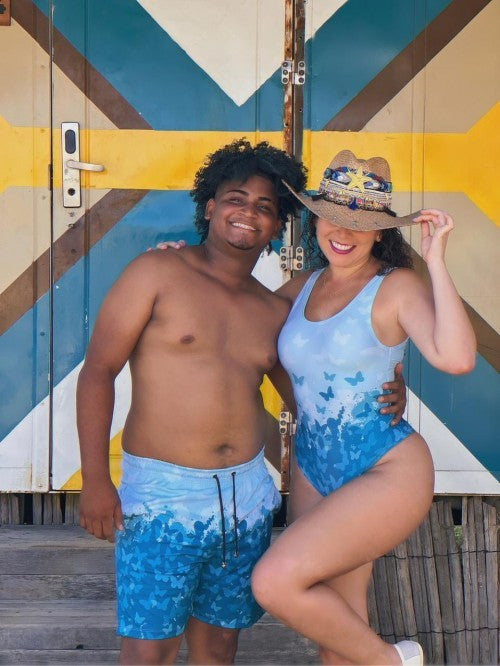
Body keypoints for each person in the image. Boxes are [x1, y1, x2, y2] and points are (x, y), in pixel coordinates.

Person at [76, 139, 406, 666]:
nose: (248, 213)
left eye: (265, 207)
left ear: (278, 226)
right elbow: (98, 372)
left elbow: (313, 388)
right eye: (236, 198)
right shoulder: (156, 273)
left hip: (246, 498)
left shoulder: (273, 310)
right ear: (209, 206)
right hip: (163, 496)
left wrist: (389, 384)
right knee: (149, 648)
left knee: (220, 644)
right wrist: (95, 479)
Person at [247, 150, 476, 665]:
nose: (344, 231)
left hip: (385, 467)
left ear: (380, 232)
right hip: (314, 467)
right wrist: (184, 263)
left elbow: (457, 358)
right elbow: (241, 322)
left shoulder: (395, 286)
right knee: (338, 640)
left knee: (274, 581)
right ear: (315, 218)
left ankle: (397, 661)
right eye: (332, 216)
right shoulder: (305, 284)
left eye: (363, 223)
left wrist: (435, 261)